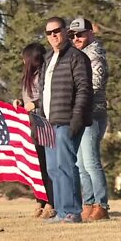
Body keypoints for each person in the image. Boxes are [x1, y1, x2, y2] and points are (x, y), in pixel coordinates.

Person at [39, 17, 93, 223]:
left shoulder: (77, 57)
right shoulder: (47, 59)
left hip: (67, 121)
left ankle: (72, 212)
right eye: (48, 33)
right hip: (48, 123)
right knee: (53, 168)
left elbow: (84, 89)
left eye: (56, 31)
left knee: (66, 165)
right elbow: (44, 90)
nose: (53, 35)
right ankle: (61, 212)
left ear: (65, 32)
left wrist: (76, 121)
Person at [68, 17, 110, 221]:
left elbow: (94, 86)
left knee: (91, 162)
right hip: (80, 114)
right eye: (73, 35)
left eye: (80, 34)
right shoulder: (79, 55)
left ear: (90, 33)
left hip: (93, 114)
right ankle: (88, 203)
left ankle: (101, 205)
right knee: (80, 163)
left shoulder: (95, 56)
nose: (76, 38)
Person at [12, 43, 55, 219]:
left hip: (45, 124)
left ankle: (52, 201)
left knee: (48, 167)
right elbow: (28, 98)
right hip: (31, 126)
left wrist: (35, 104)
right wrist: (20, 103)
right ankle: (40, 199)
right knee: (36, 166)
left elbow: (48, 96)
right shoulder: (27, 77)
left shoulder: (44, 75)